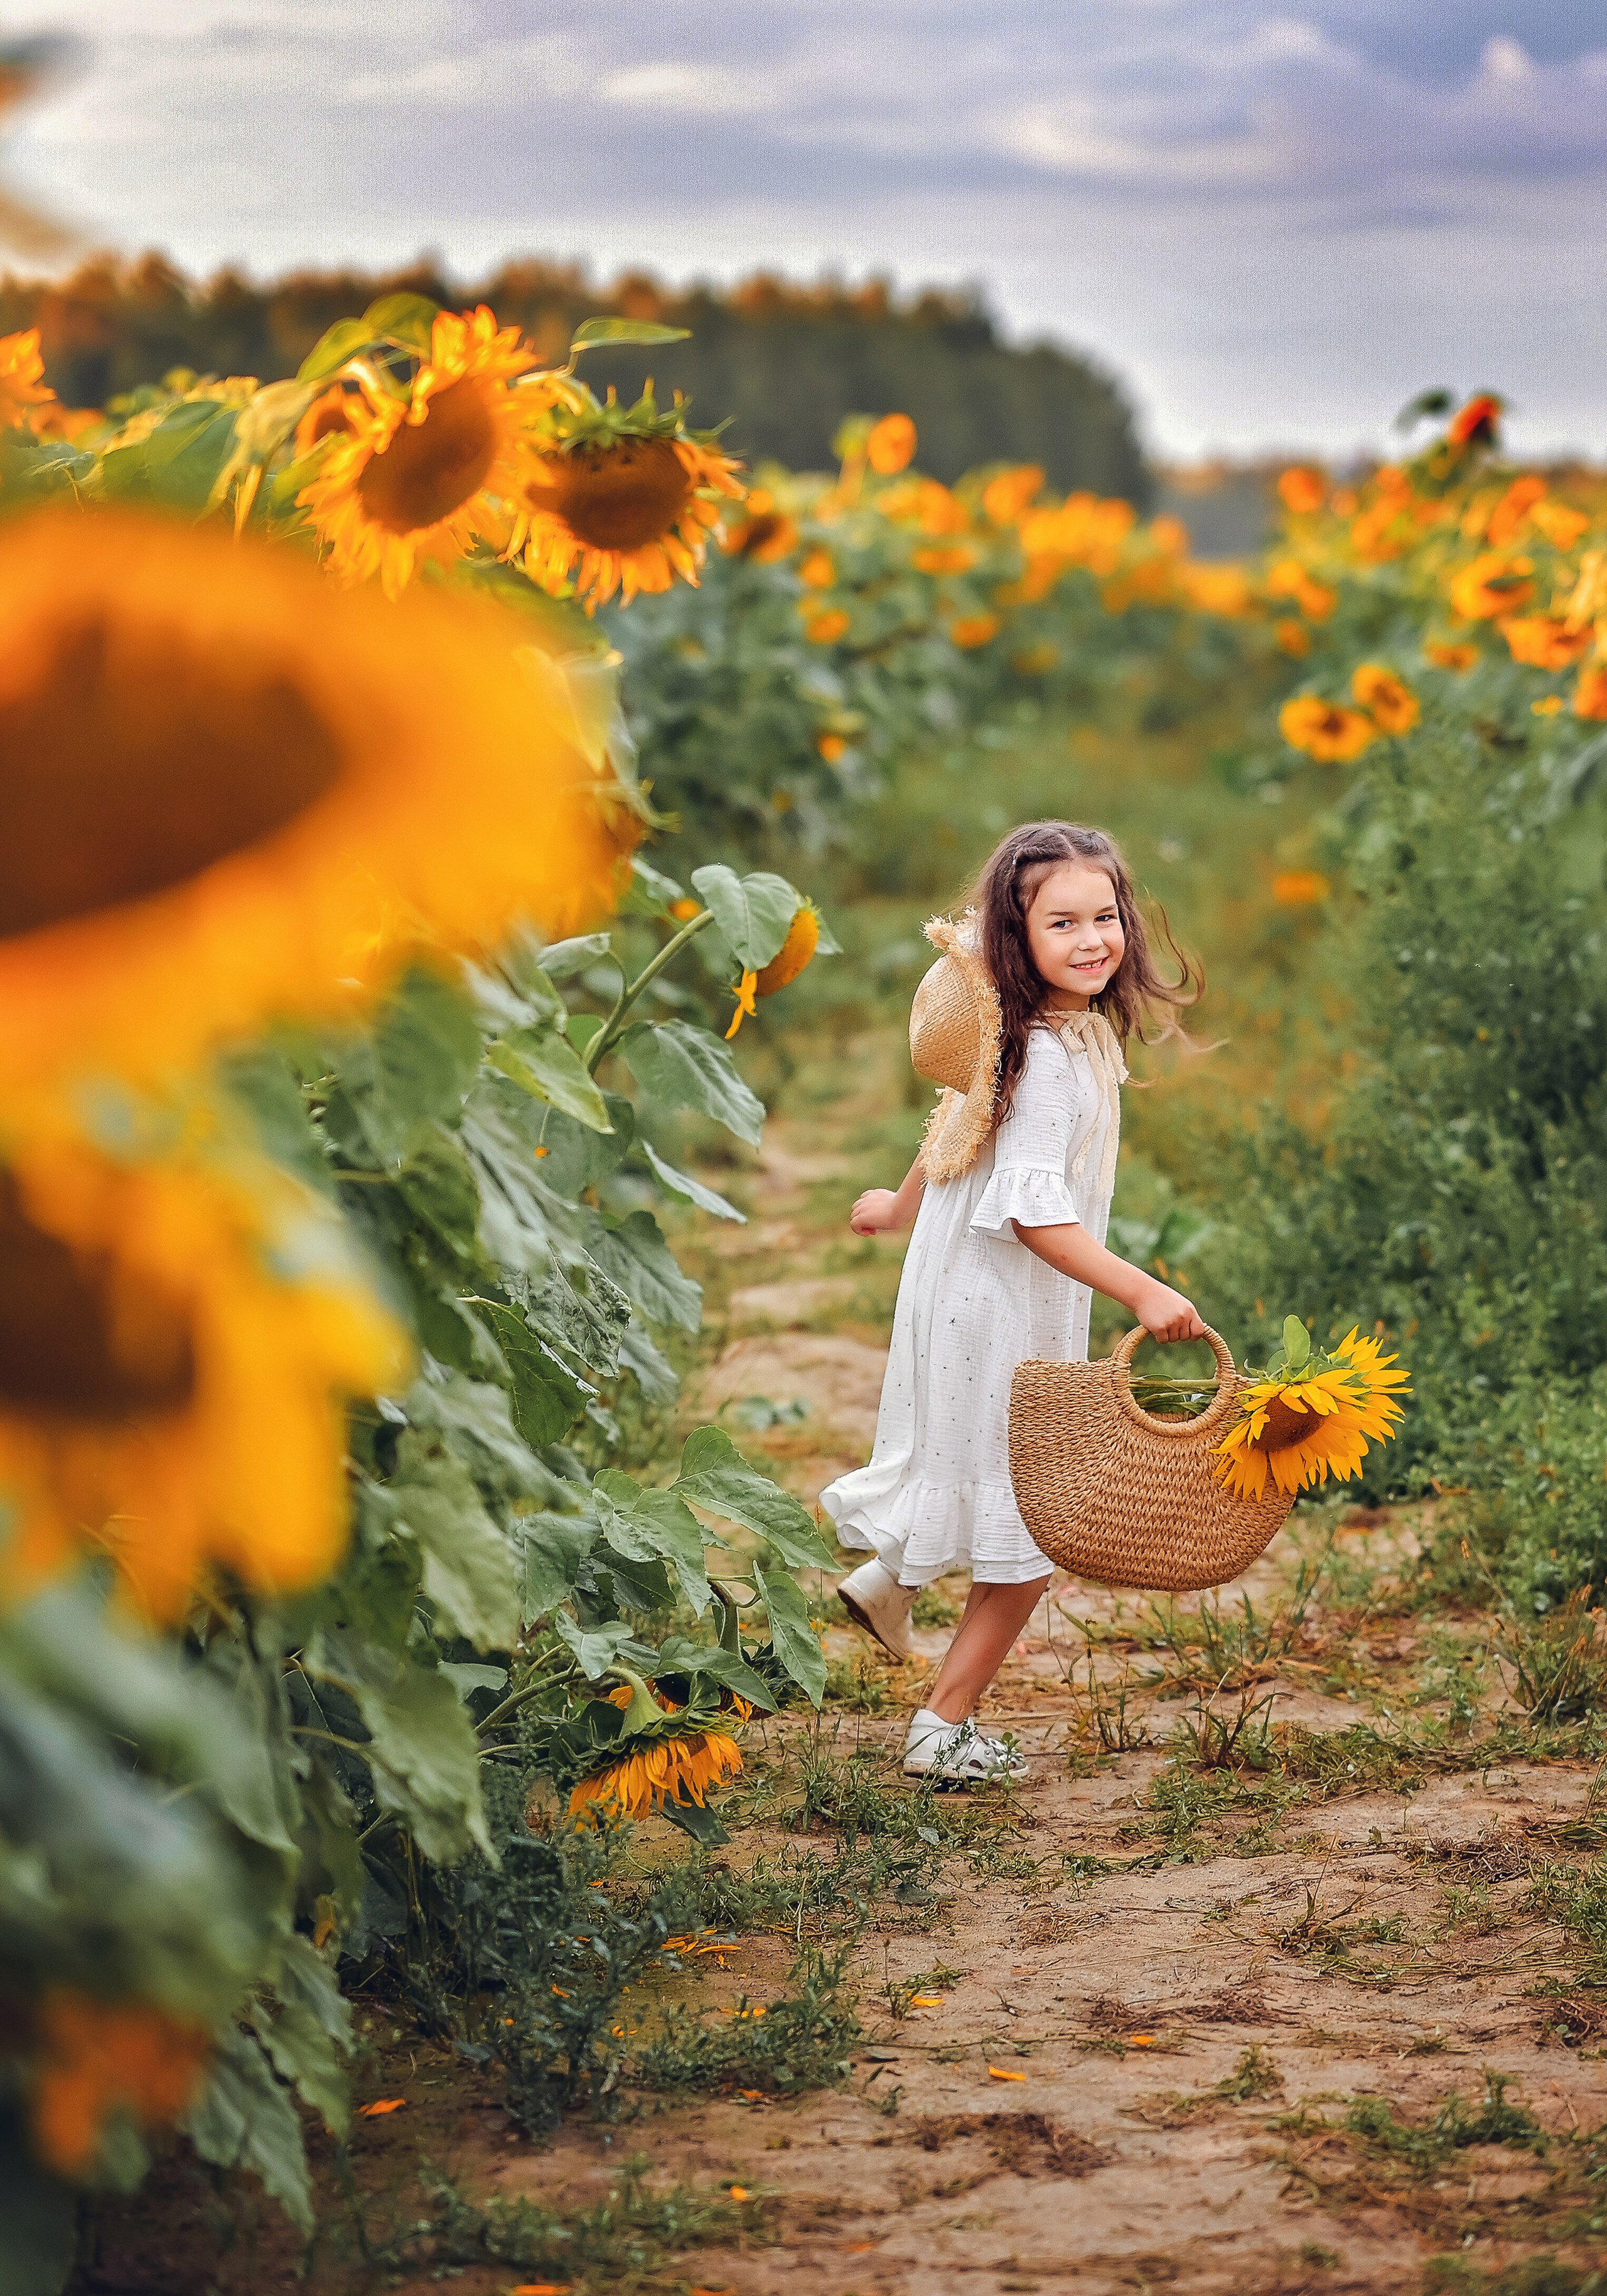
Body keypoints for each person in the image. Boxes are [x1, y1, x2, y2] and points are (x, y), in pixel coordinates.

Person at [820, 820, 1205, 1783]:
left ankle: (888, 1581)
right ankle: (943, 1727)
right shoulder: (1050, 1062)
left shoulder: (1026, 1033)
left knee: (980, 1463)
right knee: (1032, 1519)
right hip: (996, 1299)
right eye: (1061, 921)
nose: (1091, 939)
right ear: (1013, 937)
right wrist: (1143, 1287)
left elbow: (957, 1115)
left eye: (1104, 916)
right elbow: (1036, 1216)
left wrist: (901, 1203)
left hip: (961, 1288)